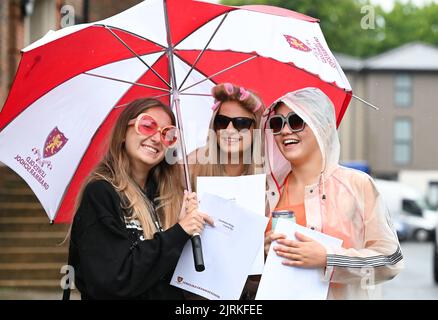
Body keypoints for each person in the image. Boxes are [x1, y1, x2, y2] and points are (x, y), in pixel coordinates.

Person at [263, 87, 403, 299]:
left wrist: (328, 258)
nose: (284, 130)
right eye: (276, 123)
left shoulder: (357, 185)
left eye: (296, 120)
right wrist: (261, 255)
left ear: (325, 127)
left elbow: (391, 260)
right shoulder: (266, 192)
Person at [67, 98, 213, 300]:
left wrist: (186, 234)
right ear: (123, 131)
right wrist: (177, 233)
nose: (156, 138)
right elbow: (112, 280)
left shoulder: (169, 199)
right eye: (147, 125)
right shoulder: (101, 194)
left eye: (167, 134)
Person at [188, 82, 265, 300]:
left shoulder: (269, 177)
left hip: (251, 292)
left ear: (255, 129)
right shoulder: (190, 167)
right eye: (222, 122)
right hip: (197, 289)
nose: (230, 130)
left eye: (241, 123)